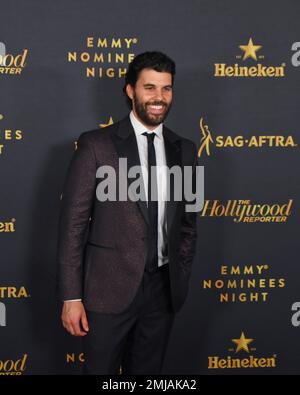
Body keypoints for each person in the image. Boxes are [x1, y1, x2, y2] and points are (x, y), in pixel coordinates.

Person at [57, 51, 198, 374]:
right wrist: (71, 296)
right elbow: (72, 226)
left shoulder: (186, 150)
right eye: (150, 88)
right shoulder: (96, 145)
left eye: (166, 89)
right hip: (106, 291)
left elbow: (189, 224)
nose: (159, 98)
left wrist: (180, 274)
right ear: (130, 90)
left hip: (162, 292)